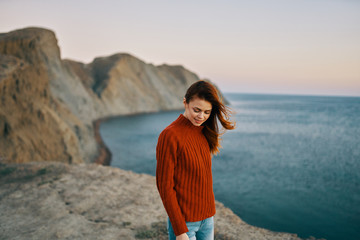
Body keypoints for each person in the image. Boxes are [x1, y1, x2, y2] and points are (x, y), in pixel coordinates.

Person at [156, 80, 235, 240]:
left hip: (207, 219)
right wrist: (179, 230)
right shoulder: (170, 135)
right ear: (185, 102)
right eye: (197, 110)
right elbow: (164, 186)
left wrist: (209, 216)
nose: (201, 116)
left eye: (207, 112)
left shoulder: (204, 131)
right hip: (185, 223)